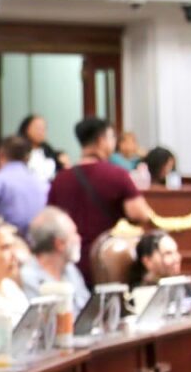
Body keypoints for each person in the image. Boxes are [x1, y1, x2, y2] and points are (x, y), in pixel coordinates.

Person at [47, 118, 153, 282]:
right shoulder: (117, 175)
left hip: (68, 264)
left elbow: (50, 219)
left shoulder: (60, 179)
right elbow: (140, 214)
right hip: (105, 263)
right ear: (101, 140)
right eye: (112, 137)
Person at [19, 207, 90, 315]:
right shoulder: (28, 278)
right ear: (59, 244)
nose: (79, 238)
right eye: (74, 233)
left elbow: (88, 310)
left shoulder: (70, 269)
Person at [19, 114, 70, 182]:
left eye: (44, 129)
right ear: (26, 129)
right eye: (38, 128)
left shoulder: (50, 152)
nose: (41, 132)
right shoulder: (19, 153)